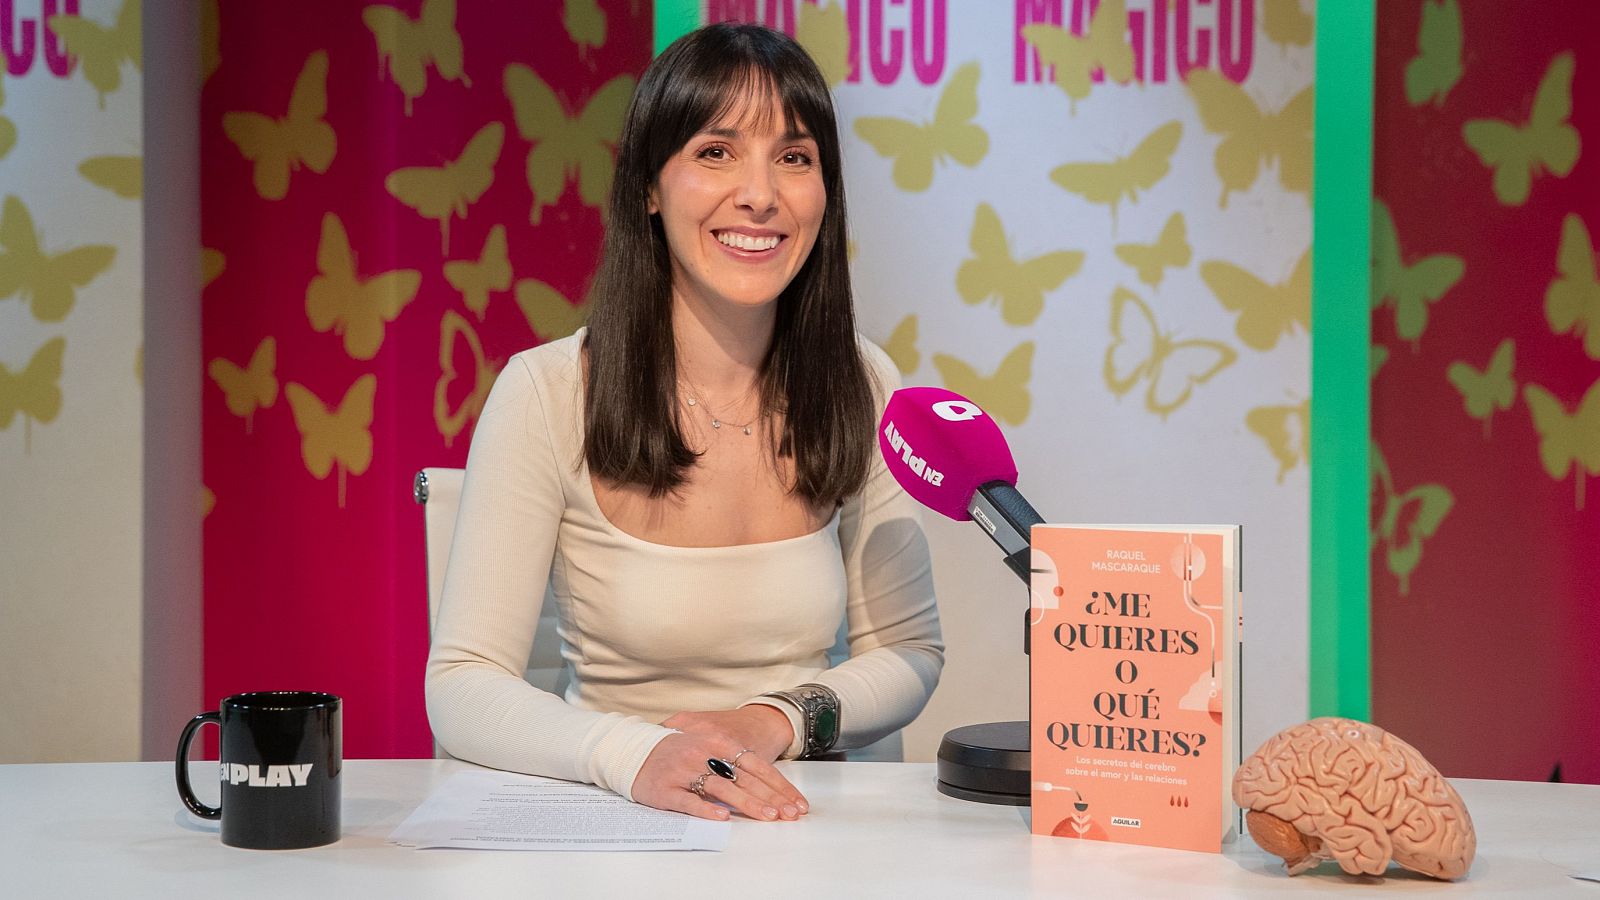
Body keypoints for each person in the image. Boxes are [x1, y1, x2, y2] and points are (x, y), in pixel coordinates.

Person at [425, 23, 942, 823]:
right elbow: (462, 682)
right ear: (649, 186)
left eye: (795, 157)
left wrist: (774, 720)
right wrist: (636, 756)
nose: (761, 194)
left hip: (804, 823)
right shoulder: (547, 392)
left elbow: (909, 652)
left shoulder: (864, 381)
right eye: (716, 152)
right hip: (611, 819)